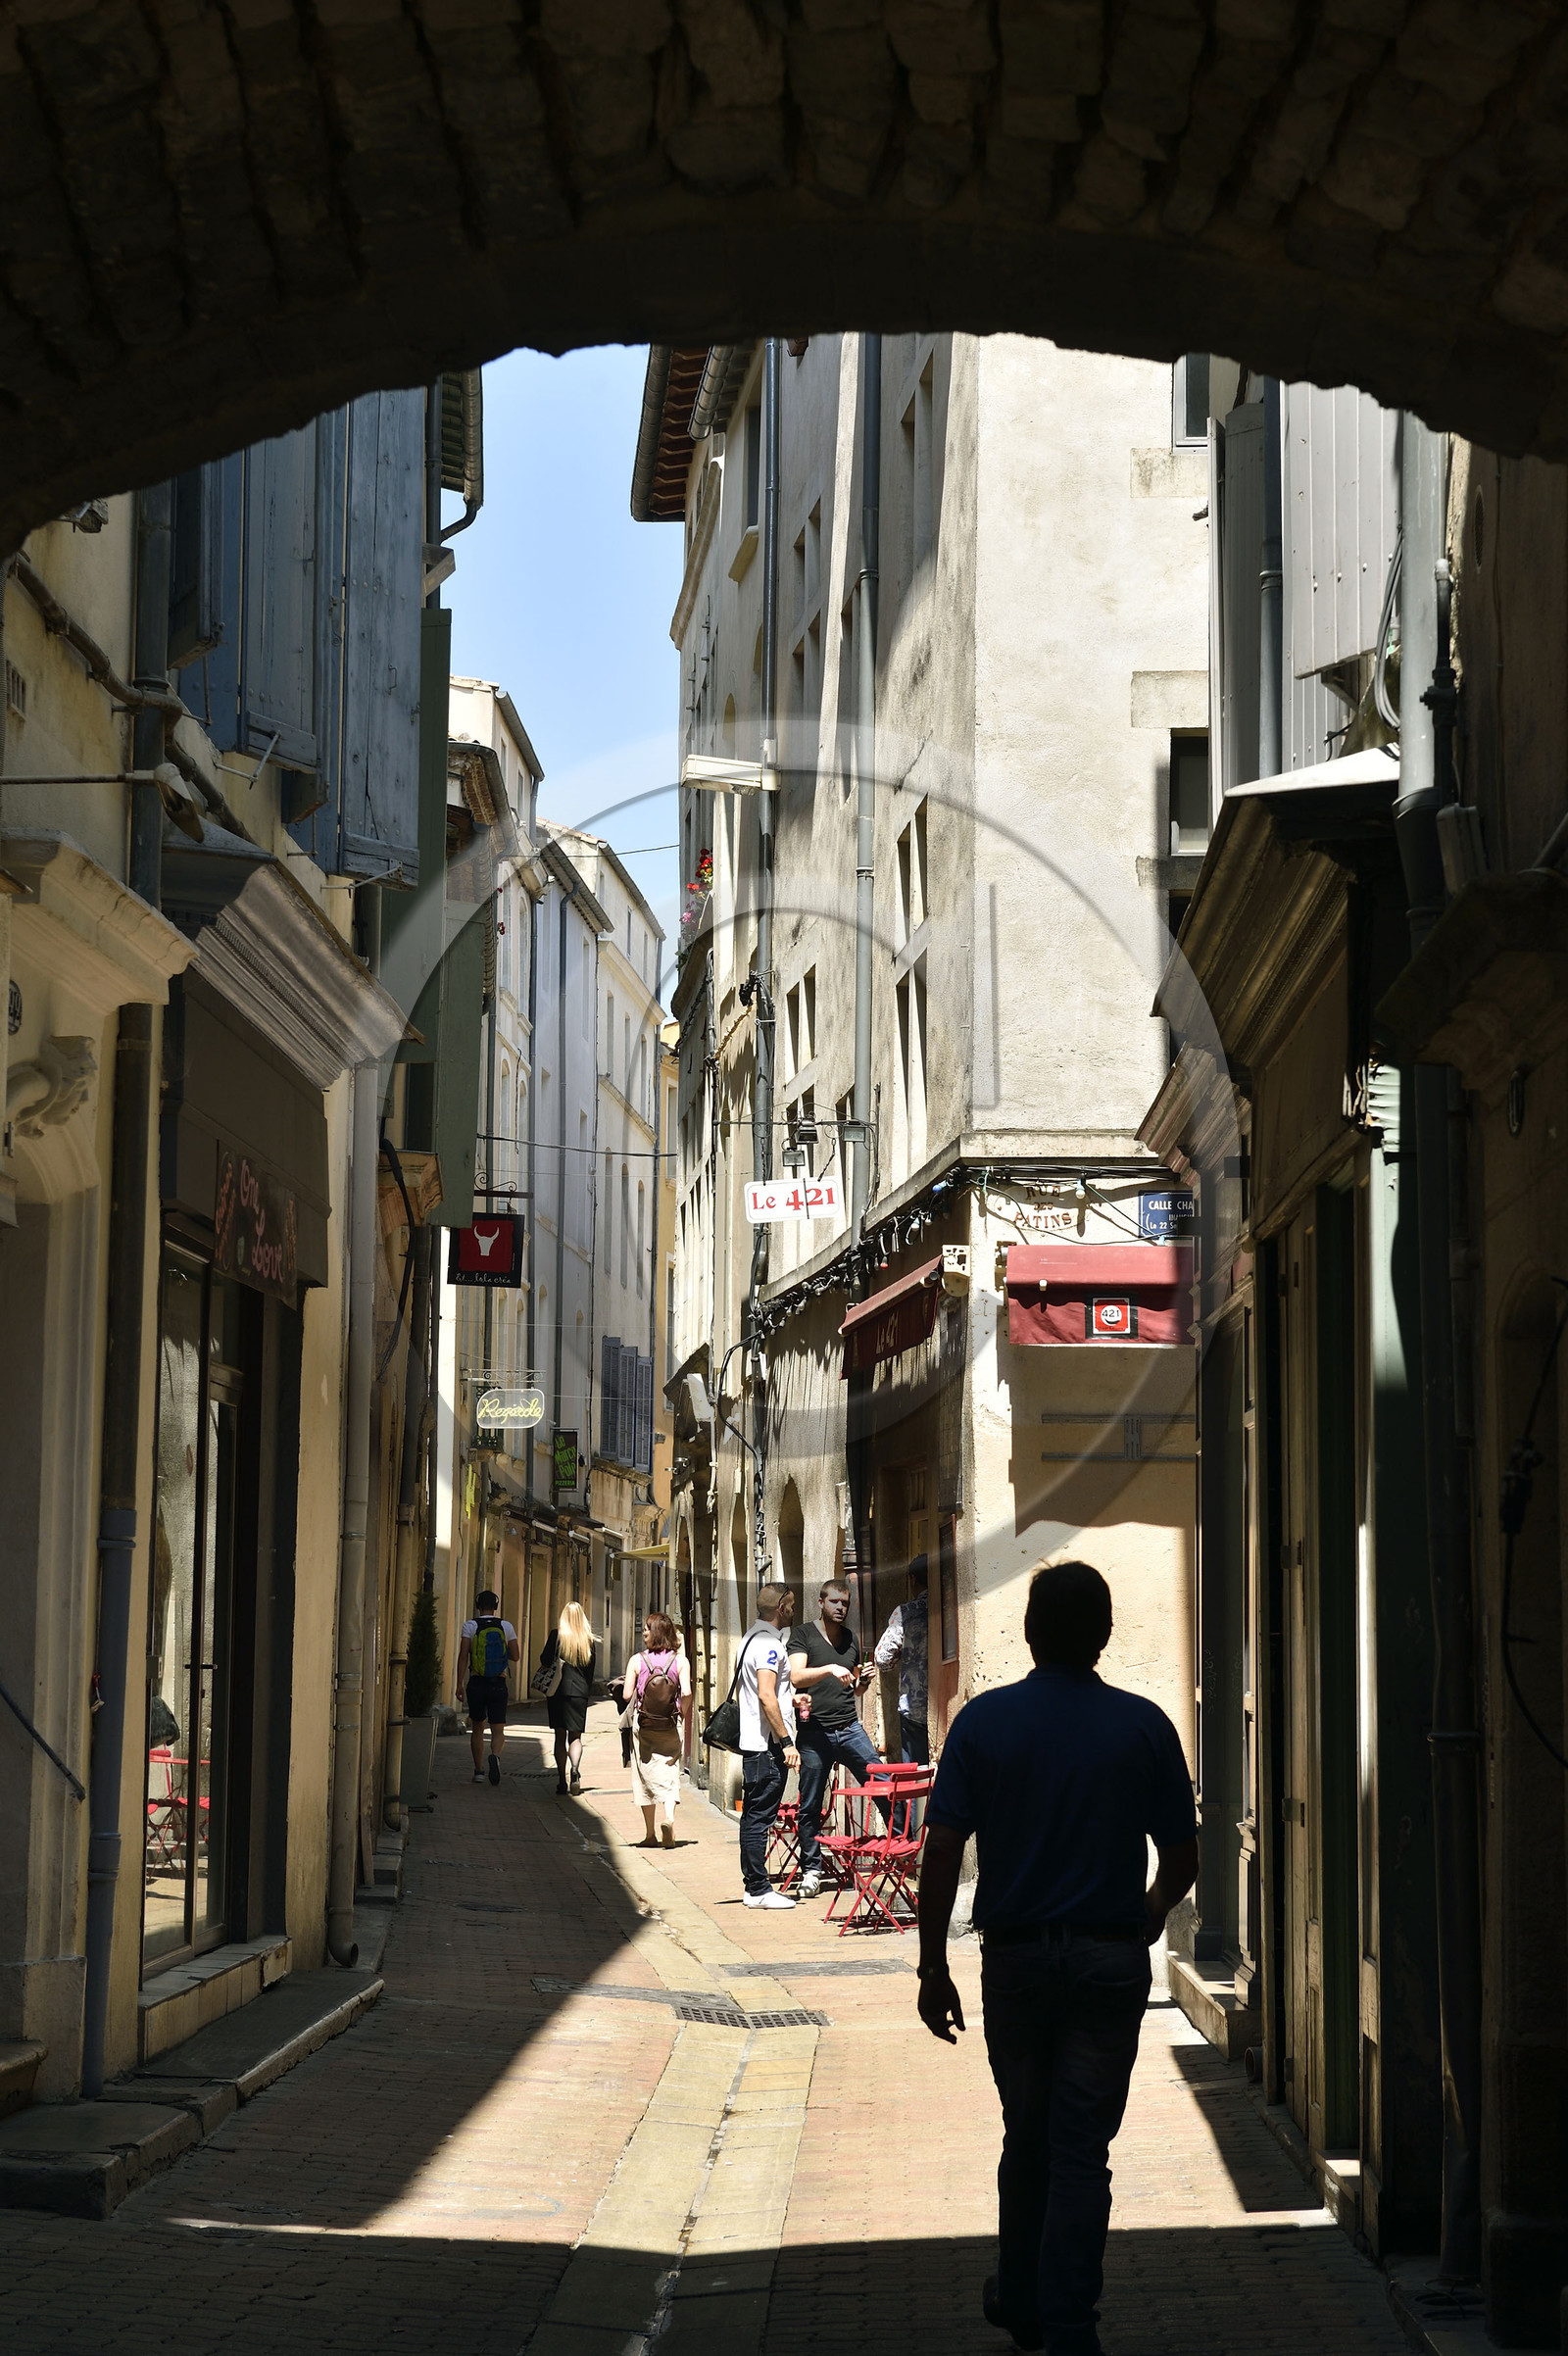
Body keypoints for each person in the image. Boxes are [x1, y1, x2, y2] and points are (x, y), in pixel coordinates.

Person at [915, 1560, 1199, 2356]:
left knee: (1027, 2134)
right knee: (1081, 2149)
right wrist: (1141, 1920)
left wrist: (932, 1964)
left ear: (1031, 1634)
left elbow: (941, 1851)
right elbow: (1180, 1860)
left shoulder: (983, 1724)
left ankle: (1024, 2296)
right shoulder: (1144, 1727)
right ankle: (1068, 2319)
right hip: (1108, 1962)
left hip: (1017, 1964)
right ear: (1105, 1635)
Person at [789, 1578, 880, 1899]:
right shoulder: (803, 1634)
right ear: (821, 1602)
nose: (841, 1608)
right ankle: (811, 1870)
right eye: (835, 1602)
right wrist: (828, 1667)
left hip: (849, 1727)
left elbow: (852, 1688)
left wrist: (863, 1683)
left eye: (846, 1603)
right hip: (814, 1733)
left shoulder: (852, 1640)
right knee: (811, 1803)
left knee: (883, 1784)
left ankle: (897, 1856)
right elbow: (796, 1676)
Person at [736, 1582, 800, 1910]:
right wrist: (787, 1742)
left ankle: (753, 1886)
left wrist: (792, 1698)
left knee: (752, 1816)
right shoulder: (769, 1646)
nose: (793, 1609)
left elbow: (766, 1690)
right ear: (780, 1608)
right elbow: (765, 1694)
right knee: (760, 1818)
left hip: (754, 1743)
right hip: (767, 1746)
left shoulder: (750, 1639)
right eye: (790, 1604)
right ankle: (759, 1889)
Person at [621, 1609, 691, 1846]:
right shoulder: (680, 1661)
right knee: (670, 1770)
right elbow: (688, 1692)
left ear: (656, 1633)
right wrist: (682, 1711)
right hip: (671, 1723)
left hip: (645, 1724)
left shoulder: (637, 1660)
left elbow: (627, 1694)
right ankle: (669, 1820)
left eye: (647, 1629)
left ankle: (650, 1834)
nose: (644, 1634)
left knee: (644, 1774)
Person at [459, 1588, 520, 1786]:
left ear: (478, 1606)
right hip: (498, 1682)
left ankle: (478, 1771)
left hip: (477, 1682)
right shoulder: (506, 1626)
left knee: (478, 1727)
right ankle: (495, 1755)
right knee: (498, 1728)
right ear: (495, 1607)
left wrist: (459, 1684)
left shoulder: (469, 1626)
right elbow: (516, 1656)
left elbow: (463, 1655)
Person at [874, 1553, 930, 1763]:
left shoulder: (906, 1612)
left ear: (913, 1580)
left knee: (916, 1777)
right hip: (949, 1707)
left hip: (914, 1706)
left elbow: (882, 1658)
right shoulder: (953, 1607)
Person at [538, 1600, 597, 1795]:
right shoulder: (588, 1640)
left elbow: (545, 1660)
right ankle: (575, 1769)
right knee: (576, 1737)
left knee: (559, 1736)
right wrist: (584, 1692)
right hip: (579, 1693)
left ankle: (562, 1780)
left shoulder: (556, 1635)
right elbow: (590, 1672)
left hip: (557, 1692)